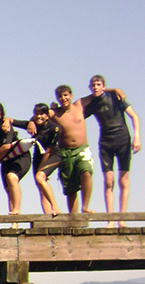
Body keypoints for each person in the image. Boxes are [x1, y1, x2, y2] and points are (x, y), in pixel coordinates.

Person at [82, 75, 141, 226]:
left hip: (122, 140)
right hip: (105, 142)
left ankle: (122, 218)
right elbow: (76, 115)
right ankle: (110, 219)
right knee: (109, 181)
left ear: (103, 85)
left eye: (98, 84)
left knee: (123, 180)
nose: (95, 87)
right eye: (93, 85)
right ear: (90, 88)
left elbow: (134, 117)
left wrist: (137, 137)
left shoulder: (115, 97)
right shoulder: (92, 104)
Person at [49, 85, 94, 214]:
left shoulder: (79, 105)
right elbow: (38, 115)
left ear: (71, 95)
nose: (63, 98)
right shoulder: (55, 113)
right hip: (65, 152)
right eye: (60, 96)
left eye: (66, 95)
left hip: (82, 149)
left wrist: (115, 90)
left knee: (86, 171)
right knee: (70, 187)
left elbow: (97, 94)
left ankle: (85, 206)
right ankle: (73, 219)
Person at [11, 103, 62, 214]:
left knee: (39, 177)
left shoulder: (55, 129)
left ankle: (55, 207)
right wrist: (6, 122)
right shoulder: (33, 126)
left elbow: (48, 150)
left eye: (42, 114)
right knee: (41, 187)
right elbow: (11, 120)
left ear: (47, 116)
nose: (39, 117)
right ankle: (48, 217)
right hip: (38, 156)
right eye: (36, 114)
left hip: (53, 155)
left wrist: (41, 168)